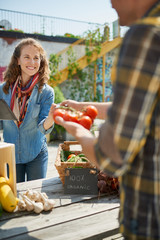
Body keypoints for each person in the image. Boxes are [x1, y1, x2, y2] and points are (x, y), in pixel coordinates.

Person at [54, 0, 160, 239]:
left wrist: (79, 132)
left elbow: (112, 157)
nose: (110, 3)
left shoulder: (144, 36)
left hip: (150, 219)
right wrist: (84, 107)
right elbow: (140, 106)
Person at [0, 38, 55, 183]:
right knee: (13, 197)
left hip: (36, 153)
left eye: (36, 58)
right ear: (18, 60)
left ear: (41, 61)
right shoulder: (3, 90)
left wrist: (51, 119)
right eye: (27, 57)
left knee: (35, 197)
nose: (32, 62)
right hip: (10, 153)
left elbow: (43, 128)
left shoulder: (46, 92)